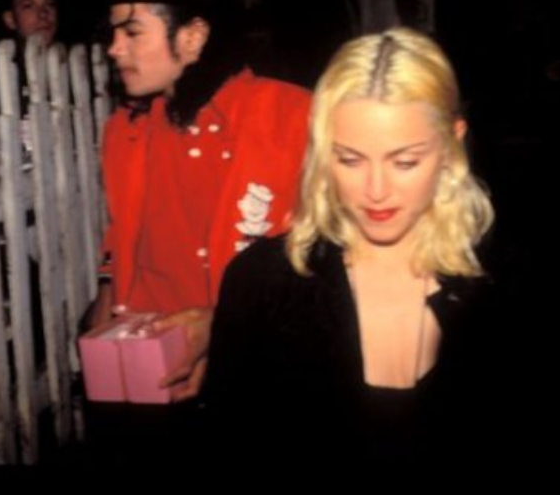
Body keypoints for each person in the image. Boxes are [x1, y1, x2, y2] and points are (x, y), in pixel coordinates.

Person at [205, 27, 495, 461]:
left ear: (453, 144)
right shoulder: (263, 286)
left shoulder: (502, 291)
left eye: (405, 161)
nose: (376, 190)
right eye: (351, 159)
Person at [87, 0, 311, 405]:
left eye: (132, 32)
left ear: (192, 37)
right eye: (113, 34)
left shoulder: (292, 116)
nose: (114, 49)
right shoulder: (123, 131)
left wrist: (224, 325)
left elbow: (324, 264)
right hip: (153, 375)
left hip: (258, 371)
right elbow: (122, 233)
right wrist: (107, 293)